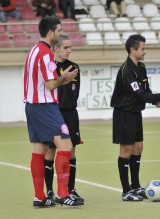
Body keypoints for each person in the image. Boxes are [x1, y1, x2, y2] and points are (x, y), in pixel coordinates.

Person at [110, 34, 160, 201]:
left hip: (135, 113)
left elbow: (146, 91)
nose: (145, 51)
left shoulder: (141, 68)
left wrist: (155, 100)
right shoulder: (126, 71)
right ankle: (126, 191)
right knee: (126, 151)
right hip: (124, 114)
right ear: (132, 50)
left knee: (138, 148)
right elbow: (140, 94)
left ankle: (135, 186)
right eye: (142, 48)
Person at [23, 16, 83, 207]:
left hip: (32, 105)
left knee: (39, 150)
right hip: (46, 106)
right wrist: (63, 77)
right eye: (59, 30)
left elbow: (43, 82)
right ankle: (63, 194)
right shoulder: (47, 53)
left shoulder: (33, 50)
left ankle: (39, 197)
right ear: (50, 33)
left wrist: (63, 79)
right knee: (66, 146)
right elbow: (50, 85)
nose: (60, 32)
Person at [44, 35, 84, 203]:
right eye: (66, 47)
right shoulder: (49, 67)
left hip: (71, 114)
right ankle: (50, 192)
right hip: (54, 113)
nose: (69, 50)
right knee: (50, 152)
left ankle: (70, 190)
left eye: (70, 47)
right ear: (56, 49)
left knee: (71, 152)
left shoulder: (74, 67)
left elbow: (75, 92)